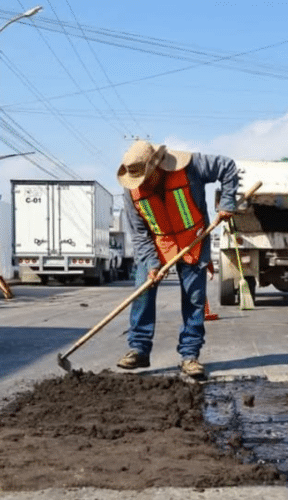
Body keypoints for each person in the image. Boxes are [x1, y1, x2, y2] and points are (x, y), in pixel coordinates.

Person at [116, 140, 238, 378]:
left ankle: (190, 354)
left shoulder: (192, 166)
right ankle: (138, 349)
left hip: (193, 239)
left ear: (158, 166)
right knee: (142, 292)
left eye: (146, 177)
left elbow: (227, 166)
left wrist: (227, 202)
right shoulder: (132, 192)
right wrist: (151, 264)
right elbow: (139, 233)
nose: (142, 183)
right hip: (158, 244)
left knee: (194, 299)